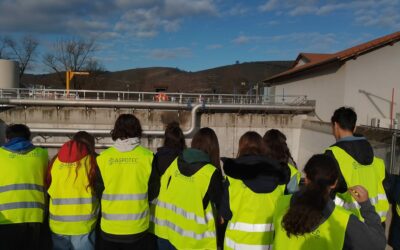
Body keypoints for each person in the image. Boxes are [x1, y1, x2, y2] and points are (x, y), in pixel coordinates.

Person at [272, 154, 386, 250]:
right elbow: (378, 244)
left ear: (306, 178)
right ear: (334, 183)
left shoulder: (281, 202)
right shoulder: (343, 221)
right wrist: (366, 205)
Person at [150, 127, 223, 250]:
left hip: (166, 233)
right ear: (214, 148)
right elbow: (222, 209)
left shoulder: (176, 162)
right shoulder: (210, 173)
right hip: (194, 243)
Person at [220, 131, 289, 249]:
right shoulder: (280, 178)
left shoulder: (232, 177)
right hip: (266, 245)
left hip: (236, 245)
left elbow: (225, 214)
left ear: (241, 148)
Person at [96, 114, 155, 250]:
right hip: (137, 228)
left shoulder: (103, 158)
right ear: (138, 130)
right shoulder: (148, 157)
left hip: (110, 228)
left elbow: (99, 190)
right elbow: (153, 191)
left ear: (116, 130)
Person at [326, 107, 389, 222]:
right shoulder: (375, 158)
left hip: (349, 224)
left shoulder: (332, 154)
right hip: (376, 222)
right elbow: (387, 186)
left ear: (335, 125)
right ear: (354, 128)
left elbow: (326, 190)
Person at [46, 131, 99, 250]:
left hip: (58, 223)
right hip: (84, 224)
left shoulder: (55, 161)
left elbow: (48, 184)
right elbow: (99, 187)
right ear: (90, 145)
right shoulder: (92, 161)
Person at [0, 124, 48, 250]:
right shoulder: (42, 155)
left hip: (6, 218)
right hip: (34, 215)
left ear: (7, 138)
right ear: (29, 138)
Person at [148, 122, 186, 201]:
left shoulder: (157, 158)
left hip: (158, 205)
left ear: (166, 140)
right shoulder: (186, 159)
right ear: (181, 140)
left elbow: (152, 186)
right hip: (180, 203)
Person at [263, 129, 300, 193]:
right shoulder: (290, 164)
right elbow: (292, 191)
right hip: (281, 201)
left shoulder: (258, 162)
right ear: (283, 145)